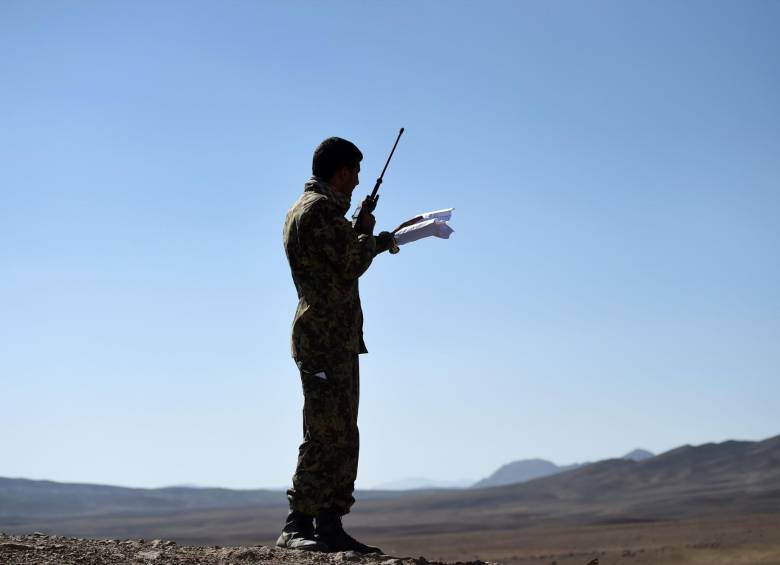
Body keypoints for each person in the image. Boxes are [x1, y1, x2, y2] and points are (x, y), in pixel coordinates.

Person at [277, 137, 395, 554]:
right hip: (323, 338)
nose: (357, 181)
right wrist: (370, 238)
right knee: (325, 431)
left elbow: (336, 257)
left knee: (342, 431)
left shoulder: (309, 211)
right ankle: (297, 523)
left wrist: (358, 227)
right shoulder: (317, 211)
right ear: (341, 172)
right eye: (355, 173)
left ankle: (329, 523)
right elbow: (349, 263)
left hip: (334, 337)